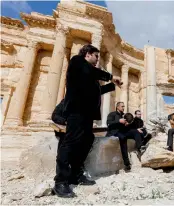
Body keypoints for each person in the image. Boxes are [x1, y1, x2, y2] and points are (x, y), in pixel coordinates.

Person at [53, 44, 122, 198]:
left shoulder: (89, 75)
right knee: (69, 143)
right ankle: (60, 182)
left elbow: (96, 91)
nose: (98, 60)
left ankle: (75, 175)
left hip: (86, 114)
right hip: (76, 111)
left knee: (86, 140)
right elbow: (90, 71)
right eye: (96, 56)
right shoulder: (77, 62)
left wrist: (111, 86)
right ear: (88, 54)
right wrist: (111, 76)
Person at [106, 102, 143, 171]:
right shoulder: (112, 114)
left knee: (136, 131)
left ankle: (139, 147)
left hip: (124, 131)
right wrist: (119, 121)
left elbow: (129, 125)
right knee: (123, 137)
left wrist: (134, 127)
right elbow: (108, 122)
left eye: (124, 106)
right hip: (115, 132)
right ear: (117, 107)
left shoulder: (124, 115)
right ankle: (127, 164)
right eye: (122, 106)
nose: (123, 108)